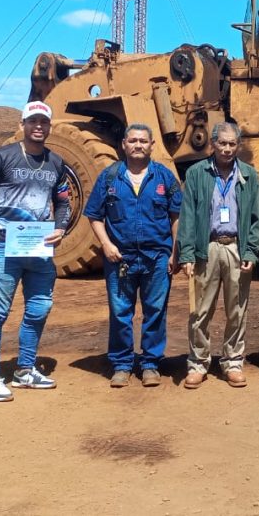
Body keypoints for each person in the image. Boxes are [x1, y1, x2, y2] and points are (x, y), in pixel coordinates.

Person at [0, 101, 70, 402]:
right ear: (22, 124)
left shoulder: (56, 162)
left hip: (39, 249)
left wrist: (61, 228)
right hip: (4, 247)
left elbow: (63, 202)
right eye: (33, 121)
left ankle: (25, 369)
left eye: (43, 121)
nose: (38, 126)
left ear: (49, 126)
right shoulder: (2, 156)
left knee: (39, 308)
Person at [84, 124, 181, 388]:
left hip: (157, 257)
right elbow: (94, 215)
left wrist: (175, 252)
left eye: (143, 141)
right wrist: (105, 244)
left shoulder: (164, 178)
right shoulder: (109, 177)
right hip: (120, 258)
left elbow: (176, 217)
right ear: (124, 144)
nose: (138, 145)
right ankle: (122, 364)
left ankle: (150, 364)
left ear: (152, 145)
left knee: (155, 311)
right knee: (120, 313)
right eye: (133, 140)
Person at [177, 122, 259, 389]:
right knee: (200, 310)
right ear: (213, 144)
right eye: (222, 143)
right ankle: (197, 363)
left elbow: (257, 218)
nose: (227, 148)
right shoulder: (196, 174)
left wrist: (252, 250)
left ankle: (233, 362)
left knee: (237, 309)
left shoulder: (249, 175)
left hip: (236, 247)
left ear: (238, 146)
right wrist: (187, 253)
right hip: (207, 248)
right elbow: (187, 216)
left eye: (232, 144)